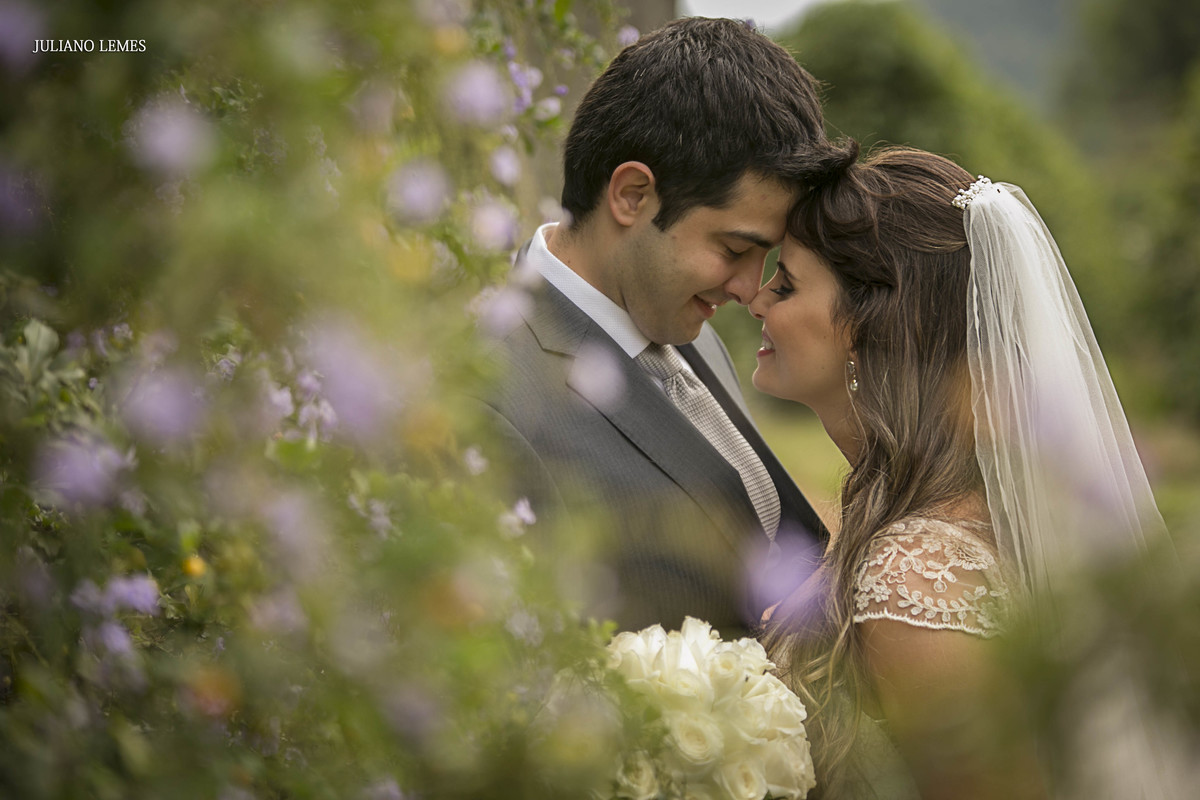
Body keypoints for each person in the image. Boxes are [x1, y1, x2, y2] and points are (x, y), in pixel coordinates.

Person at [753, 144, 1180, 799]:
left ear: (869, 327)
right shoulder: (918, 520)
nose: (756, 301)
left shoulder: (912, 572)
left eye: (785, 284)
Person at [479, 18, 832, 635]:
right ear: (633, 195)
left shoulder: (690, 328)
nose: (750, 290)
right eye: (733, 248)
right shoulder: (490, 395)